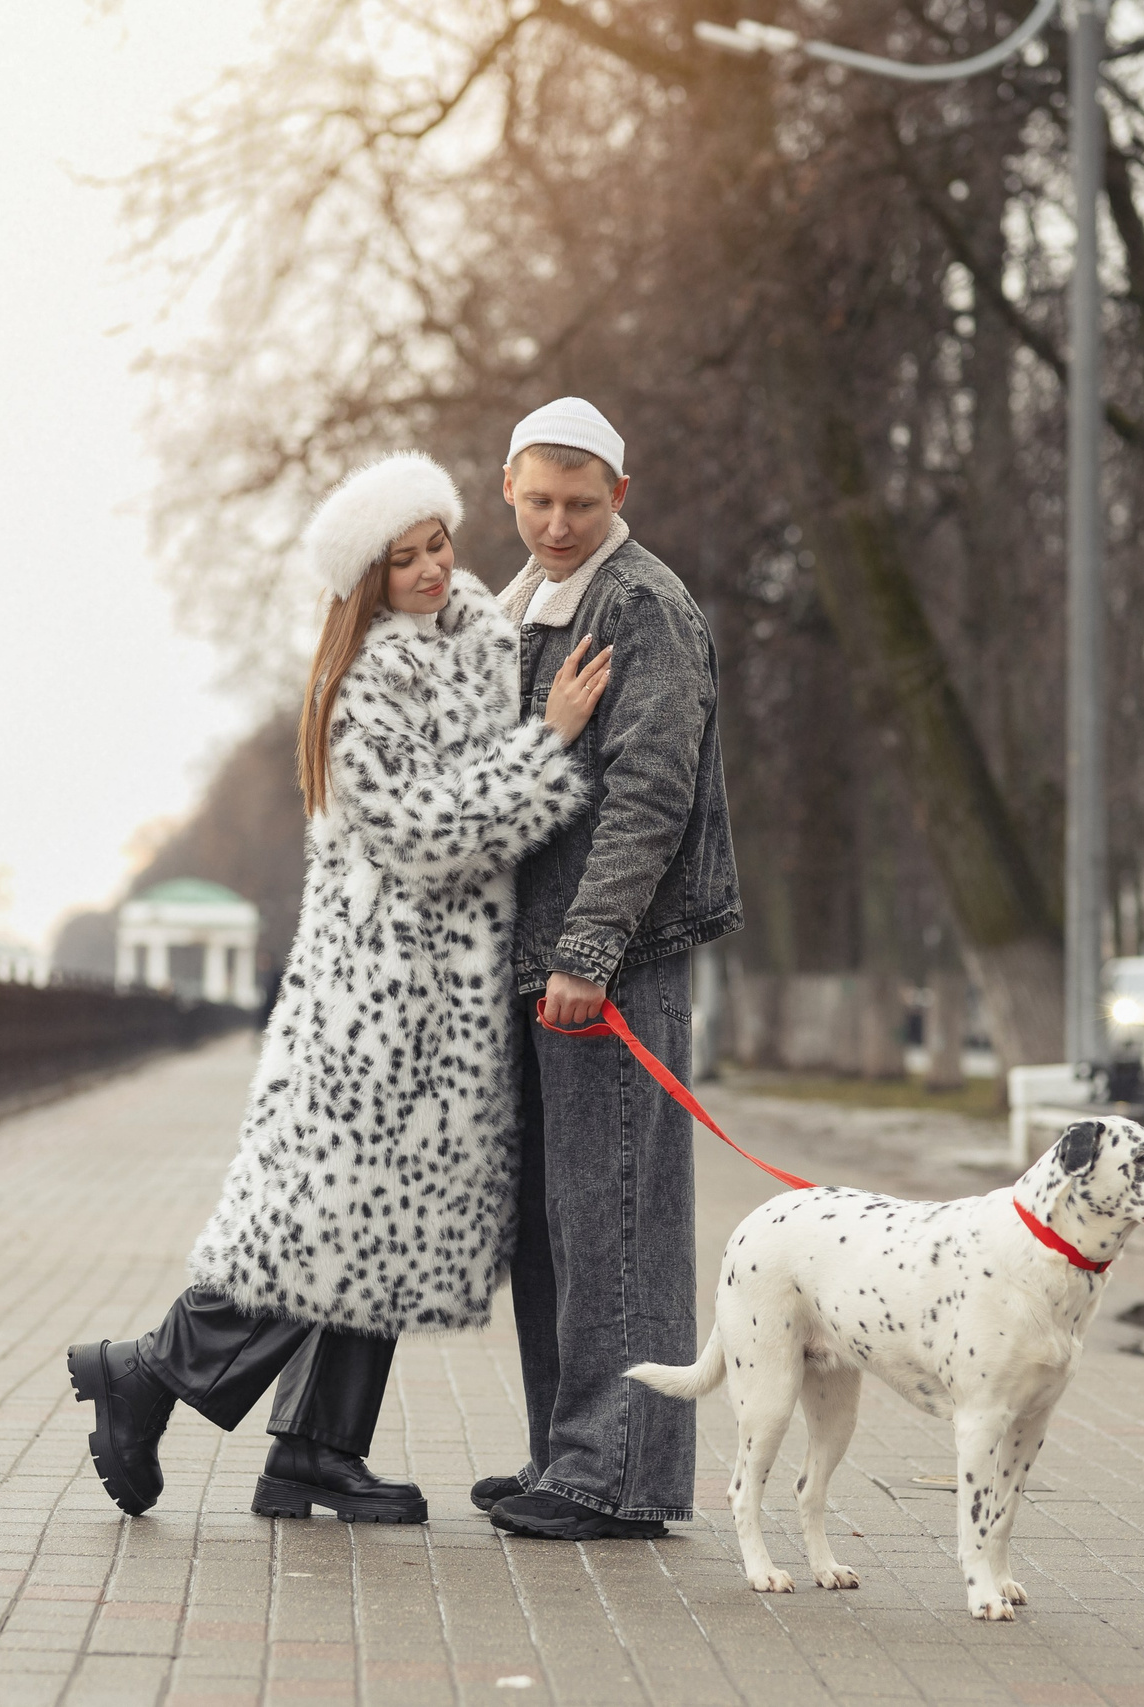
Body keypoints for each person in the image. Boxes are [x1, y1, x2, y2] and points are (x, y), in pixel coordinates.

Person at [67, 451, 612, 1523]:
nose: (424, 569)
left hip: (441, 994)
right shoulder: (366, 681)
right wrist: (546, 744)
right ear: (363, 580)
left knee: (392, 1222)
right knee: (331, 1220)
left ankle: (315, 1448)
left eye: (435, 544)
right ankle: (143, 1371)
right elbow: (423, 835)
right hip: (373, 999)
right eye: (398, 559)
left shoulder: (471, 644)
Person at [474, 398, 741, 1541]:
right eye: (537, 501)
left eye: (581, 504)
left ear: (618, 497)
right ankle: (564, 1457)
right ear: (507, 488)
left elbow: (648, 798)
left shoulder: (646, 610)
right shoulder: (514, 602)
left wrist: (589, 950)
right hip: (532, 964)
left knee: (616, 1216)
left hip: (609, 966)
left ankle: (616, 1478)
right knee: (554, 1226)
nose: (557, 524)